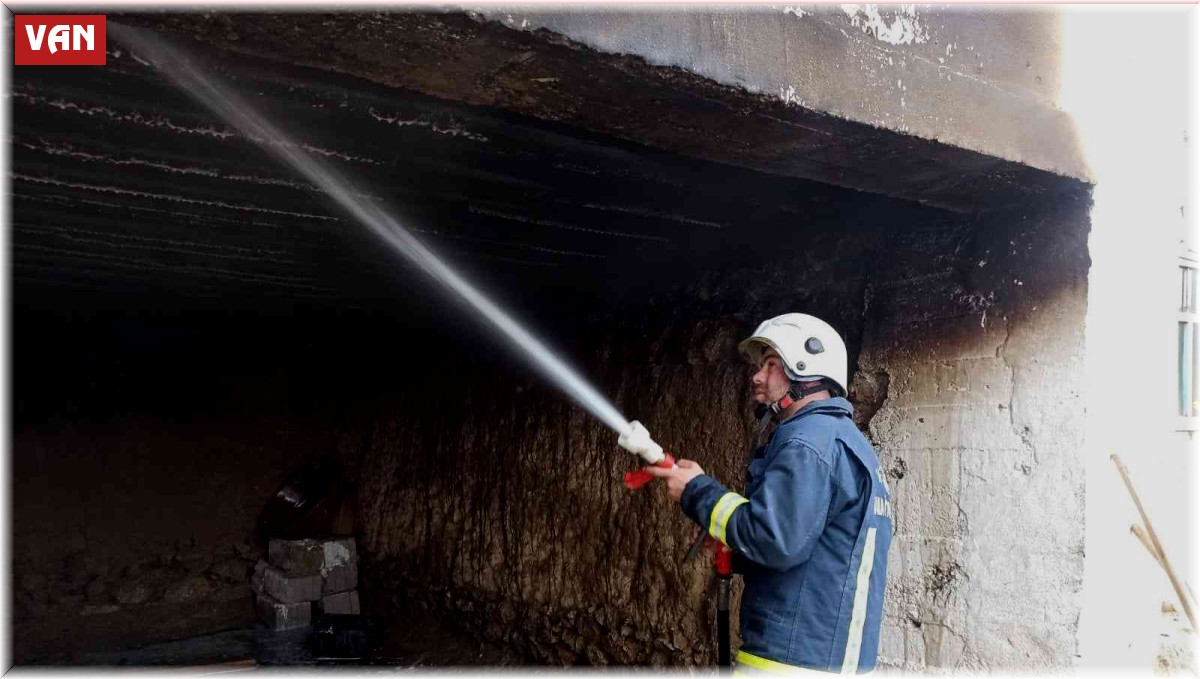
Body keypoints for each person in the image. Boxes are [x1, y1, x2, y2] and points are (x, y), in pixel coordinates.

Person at [644, 313, 893, 675]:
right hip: (830, 660)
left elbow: (775, 539)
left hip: (790, 661)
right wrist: (737, 547)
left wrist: (697, 491)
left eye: (771, 365)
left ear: (805, 368)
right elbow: (811, 543)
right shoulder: (849, 444)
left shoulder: (807, 443)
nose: (757, 377)